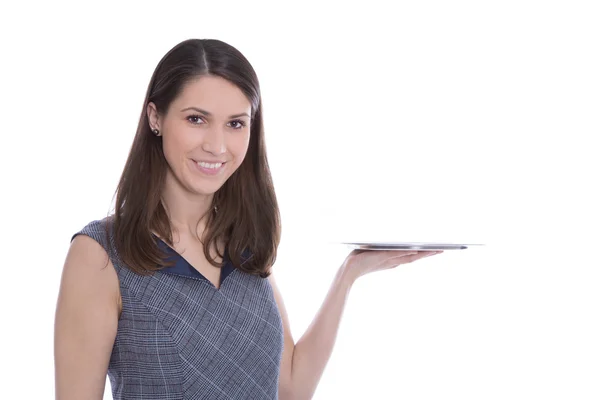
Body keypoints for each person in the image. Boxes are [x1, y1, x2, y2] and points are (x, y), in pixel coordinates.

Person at [54, 38, 442, 400]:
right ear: (155, 117)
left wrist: (349, 273)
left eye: (235, 123)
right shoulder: (101, 255)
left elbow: (291, 385)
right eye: (196, 119)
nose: (217, 145)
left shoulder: (244, 245)